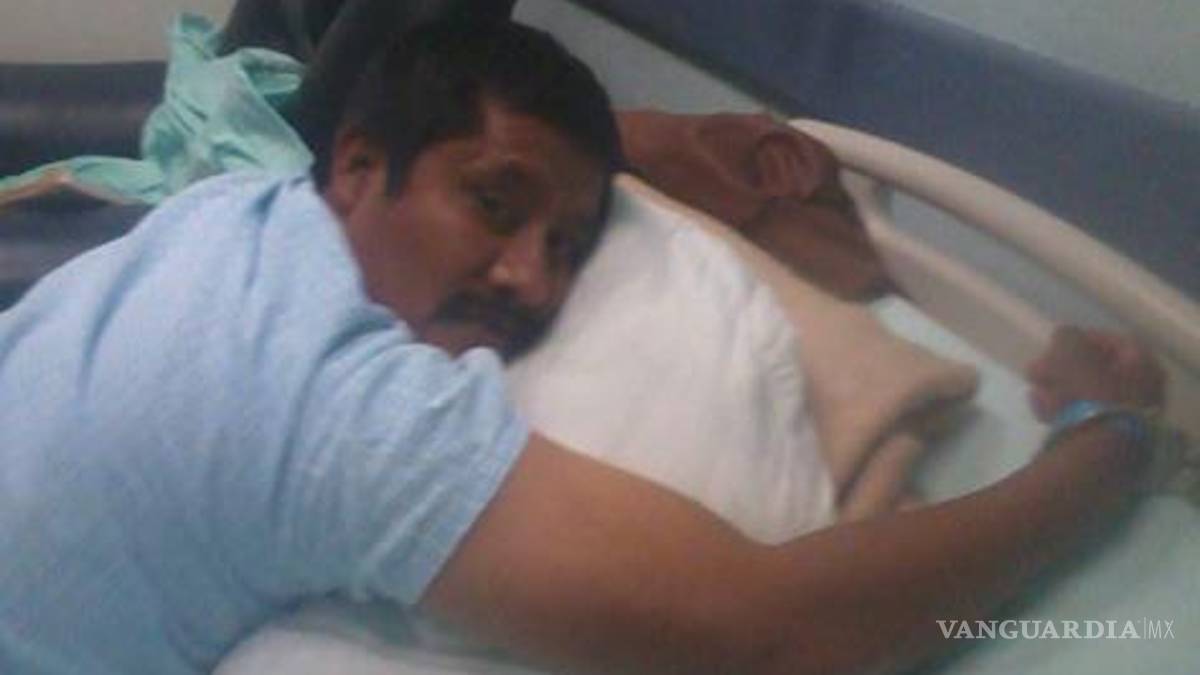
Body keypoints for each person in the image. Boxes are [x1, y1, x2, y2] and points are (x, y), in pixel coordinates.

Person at [0, 18, 1172, 675]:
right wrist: (1105, 444)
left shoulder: (226, 212)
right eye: (494, 203)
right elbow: (776, 634)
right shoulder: (337, 407)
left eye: (566, 245)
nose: (532, 281)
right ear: (355, 166)